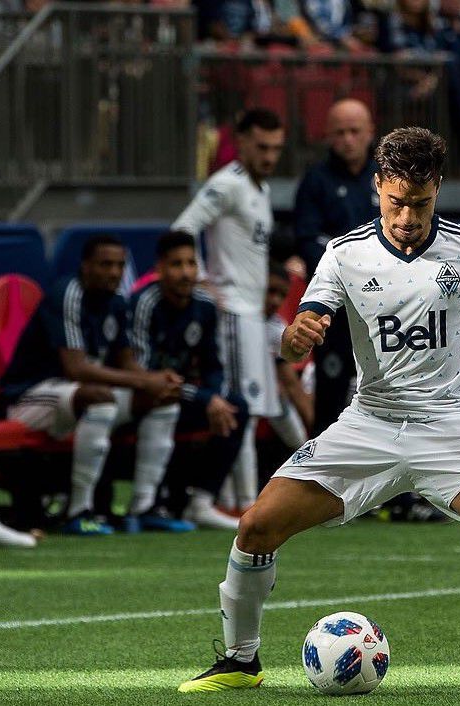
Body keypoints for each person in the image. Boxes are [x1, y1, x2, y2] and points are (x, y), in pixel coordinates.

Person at [178, 127, 460, 692]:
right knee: (255, 526)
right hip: (369, 423)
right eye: (396, 202)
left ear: (437, 189)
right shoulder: (344, 255)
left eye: (420, 203)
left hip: (451, 422)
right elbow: (300, 333)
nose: (407, 217)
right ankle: (239, 660)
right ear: (378, 186)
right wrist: (297, 338)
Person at [0, 235, 182, 536]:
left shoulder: (117, 302)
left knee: (163, 399)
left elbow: (126, 362)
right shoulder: (68, 294)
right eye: (105, 264)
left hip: (76, 398)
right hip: (30, 396)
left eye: (119, 265)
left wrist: (156, 381)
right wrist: (143, 380)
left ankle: (144, 508)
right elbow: (76, 368)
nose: (114, 272)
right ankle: (79, 511)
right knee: (100, 397)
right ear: (86, 266)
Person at [172, 108, 285, 516]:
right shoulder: (226, 184)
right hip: (233, 311)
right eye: (261, 147)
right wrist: (203, 280)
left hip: (252, 313)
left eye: (275, 148)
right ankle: (242, 503)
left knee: (251, 412)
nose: (269, 156)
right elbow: (183, 228)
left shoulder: (260, 188)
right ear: (241, 142)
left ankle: (241, 501)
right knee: (240, 409)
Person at [129, 232, 249, 531]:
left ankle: (202, 503)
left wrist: (213, 397)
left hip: (184, 396)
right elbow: (145, 373)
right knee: (167, 400)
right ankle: (149, 502)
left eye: (191, 264)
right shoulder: (145, 304)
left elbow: (214, 365)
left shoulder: (205, 306)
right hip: (145, 398)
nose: (185, 273)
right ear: (159, 268)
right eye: (176, 264)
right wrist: (205, 398)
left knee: (237, 407)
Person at [291, 99, 379, 435]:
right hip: (336, 310)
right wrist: (352, 274)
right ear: (328, 135)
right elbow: (307, 240)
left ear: (370, 132)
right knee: (330, 398)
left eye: (355, 131)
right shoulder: (315, 181)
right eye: (340, 132)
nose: (347, 139)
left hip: (385, 307)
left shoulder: (388, 178)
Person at [263, 261, 311, 450]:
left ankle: (307, 450)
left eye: (282, 295)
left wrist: (316, 430)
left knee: (278, 395)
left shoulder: (277, 329)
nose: (275, 300)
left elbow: (291, 383)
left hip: (269, 397)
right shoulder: (237, 318)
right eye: (271, 291)